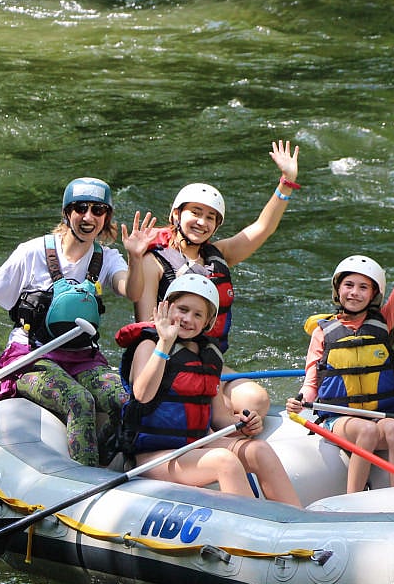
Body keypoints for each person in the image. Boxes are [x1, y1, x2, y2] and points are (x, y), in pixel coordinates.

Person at [0, 177, 158, 466]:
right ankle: (84, 476)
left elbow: (132, 291)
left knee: (127, 402)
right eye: (80, 208)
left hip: (82, 359)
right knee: (79, 400)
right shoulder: (32, 252)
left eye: (97, 210)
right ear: (66, 213)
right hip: (31, 359)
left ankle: (105, 457)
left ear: (106, 216)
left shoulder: (107, 258)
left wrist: (135, 257)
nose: (88, 217)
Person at [124, 141, 301, 430]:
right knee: (213, 405)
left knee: (256, 401)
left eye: (210, 218)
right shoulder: (152, 262)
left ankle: (224, 425)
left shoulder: (218, 255)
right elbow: (146, 326)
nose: (202, 222)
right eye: (195, 212)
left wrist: (287, 182)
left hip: (207, 358)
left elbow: (262, 228)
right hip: (165, 359)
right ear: (176, 215)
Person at [116, 273, 302, 507]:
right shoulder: (149, 345)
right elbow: (142, 395)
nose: (188, 319)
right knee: (224, 461)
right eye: (182, 309)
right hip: (152, 457)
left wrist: (244, 425)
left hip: (194, 445)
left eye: (198, 315)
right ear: (167, 307)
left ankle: (296, 517)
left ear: (207, 322)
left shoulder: (208, 355)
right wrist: (164, 342)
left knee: (259, 450)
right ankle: (249, 524)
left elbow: (220, 418)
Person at [285, 209, 394, 494]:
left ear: (374, 294)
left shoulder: (383, 322)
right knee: (366, 430)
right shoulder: (322, 332)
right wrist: (300, 401)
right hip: (337, 420)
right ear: (338, 289)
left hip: (378, 416)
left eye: (363, 287)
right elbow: (312, 382)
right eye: (349, 285)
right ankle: (352, 497)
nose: (354, 292)